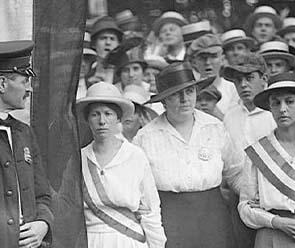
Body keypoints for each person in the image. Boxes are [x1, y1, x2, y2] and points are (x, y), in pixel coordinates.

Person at [134, 62, 244, 248]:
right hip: (169, 220)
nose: (185, 99)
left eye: (190, 91)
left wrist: (254, 199)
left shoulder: (214, 127)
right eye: (176, 94)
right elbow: (136, 186)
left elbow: (235, 172)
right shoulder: (146, 137)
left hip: (213, 218)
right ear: (164, 100)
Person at [76, 82, 166, 247]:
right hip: (91, 240)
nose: (102, 121)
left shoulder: (134, 156)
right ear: (87, 119)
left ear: (118, 118)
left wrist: (157, 244)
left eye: (108, 114)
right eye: (95, 114)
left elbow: (151, 209)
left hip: (127, 239)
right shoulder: (79, 158)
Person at [238, 72, 295, 247]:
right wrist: (276, 221)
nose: (283, 109)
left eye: (290, 101)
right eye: (276, 103)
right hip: (272, 234)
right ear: (269, 107)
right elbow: (245, 207)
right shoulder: (258, 151)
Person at [0, 40, 53, 248]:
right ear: (2, 84)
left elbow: (42, 194)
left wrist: (43, 224)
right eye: (24, 81)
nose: (29, 89)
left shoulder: (24, 133)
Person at [222, 53, 277, 248]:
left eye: (249, 78)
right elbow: (229, 163)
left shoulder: (276, 113)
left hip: (277, 199)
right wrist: (245, 193)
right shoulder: (230, 117)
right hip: (241, 199)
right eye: (238, 80)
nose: (244, 85)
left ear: (264, 78)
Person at [188, 33, 240, 114]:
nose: (208, 62)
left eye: (213, 57)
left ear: (222, 59)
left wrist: (214, 111)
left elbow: (236, 122)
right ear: (194, 62)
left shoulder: (233, 89)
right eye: (202, 58)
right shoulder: (189, 91)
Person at [88, 16, 123, 85]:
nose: (108, 43)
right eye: (103, 38)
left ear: (118, 44)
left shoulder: (125, 72)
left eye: (112, 39)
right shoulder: (87, 72)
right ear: (94, 44)